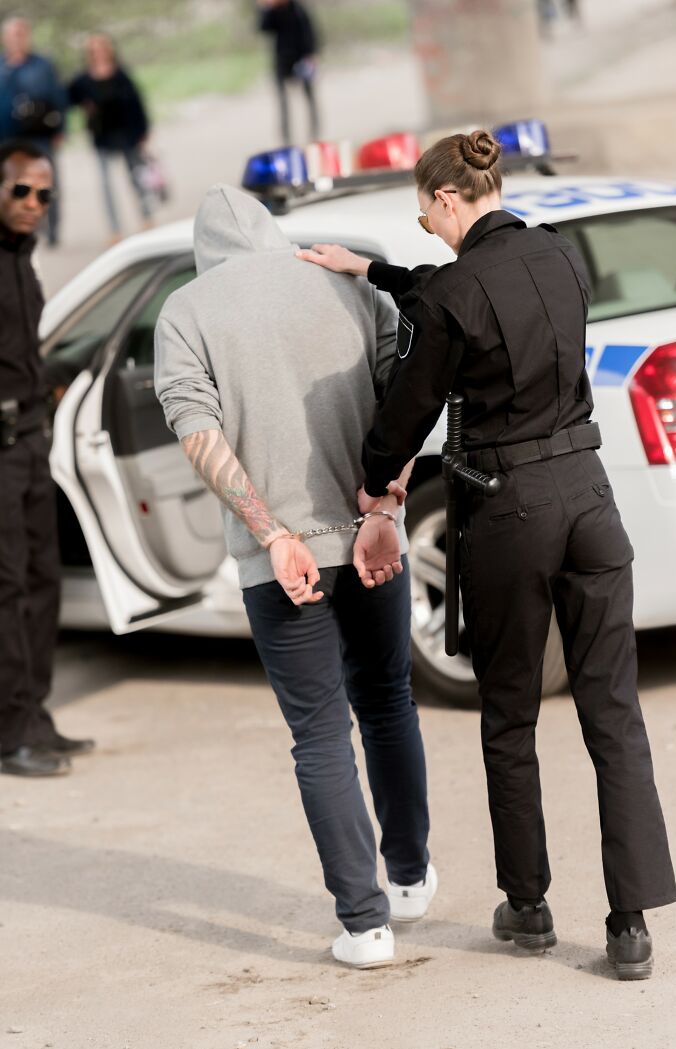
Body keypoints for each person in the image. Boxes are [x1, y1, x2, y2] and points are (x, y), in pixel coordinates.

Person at [298, 129, 676, 980]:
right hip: (590, 497)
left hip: (511, 514)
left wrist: (372, 485)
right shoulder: (562, 258)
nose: (426, 231)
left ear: (443, 199)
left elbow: (407, 407)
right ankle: (629, 925)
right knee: (613, 714)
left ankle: (530, 904)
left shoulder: (453, 293)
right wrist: (373, 271)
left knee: (510, 715)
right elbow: (461, 289)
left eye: (423, 215)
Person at [154, 184, 435, 969]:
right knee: (387, 699)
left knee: (319, 732)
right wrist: (387, 504)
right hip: (373, 535)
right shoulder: (342, 280)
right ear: (274, 231)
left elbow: (196, 429)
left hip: (280, 560)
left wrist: (272, 532)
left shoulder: (186, 312)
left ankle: (365, 923)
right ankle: (410, 878)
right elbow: (405, 401)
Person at [0, 139, 95, 777]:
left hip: (32, 442)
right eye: (21, 191)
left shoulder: (21, 259)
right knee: (7, 592)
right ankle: (11, 735)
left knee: (42, 584)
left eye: (45, 195)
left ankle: (34, 715)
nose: (34, 203)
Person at [68, 33, 153, 243]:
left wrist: (143, 131)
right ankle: (115, 229)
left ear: (109, 50)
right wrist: (85, 106)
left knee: (136, 178)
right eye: (94, 49)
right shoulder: (83, 79)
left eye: (102, 47)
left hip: (127, 134)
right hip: (102, 137)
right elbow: (68, 98)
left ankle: (147, 217)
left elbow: (137, 103)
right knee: (106, 185)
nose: (98, 52)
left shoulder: (121, 74)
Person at [0, 17, 66, 246]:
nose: (17, 38)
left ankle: (52, 230)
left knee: (44, 184)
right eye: (12, 34)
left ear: (27, 36)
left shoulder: (42, 65)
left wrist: (61, 128)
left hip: (40, 136)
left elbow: (59, 97)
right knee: (10, 187)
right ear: (4, 38)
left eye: (21, 33)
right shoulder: (2, 67)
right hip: (7, 137)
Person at [257, 0, 320, 145]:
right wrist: (267, 9)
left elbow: (309, 33)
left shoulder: (298, 9)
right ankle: (286, 139)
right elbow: (263, 28)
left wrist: (311, 55)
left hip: (302, 59)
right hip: (282, 61)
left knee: (309, 98)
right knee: (283, 103)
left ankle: (314, 134)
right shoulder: (273, 12)